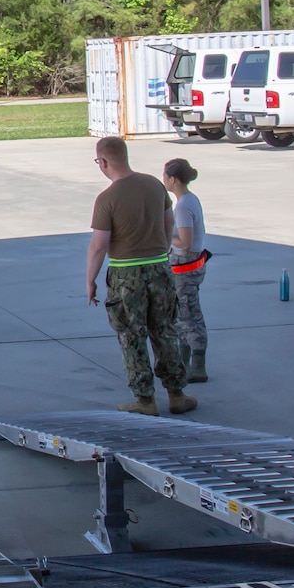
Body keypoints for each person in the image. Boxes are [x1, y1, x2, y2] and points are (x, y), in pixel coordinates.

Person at [86, 136, 196, 416]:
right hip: (160, 267)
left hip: (126, 273)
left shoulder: (107, 199)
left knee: (131, 336)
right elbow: (169, 223)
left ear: (104, 162)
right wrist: (158, 248)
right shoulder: (154, 185)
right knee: (165, 331)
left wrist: (91, 280)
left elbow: (99, 245)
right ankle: (177, 394)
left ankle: (145, 399)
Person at [162, 158, 211, 382]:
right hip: (188, 266)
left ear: (173, 179)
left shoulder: (182, 206)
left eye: (165, 176)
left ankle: (198, 365)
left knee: (189, 316)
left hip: (185, 268)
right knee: (182, 315)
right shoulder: (190, 199)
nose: (163, 180)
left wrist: (164, 236)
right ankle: (184, 360)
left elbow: (185, 241)